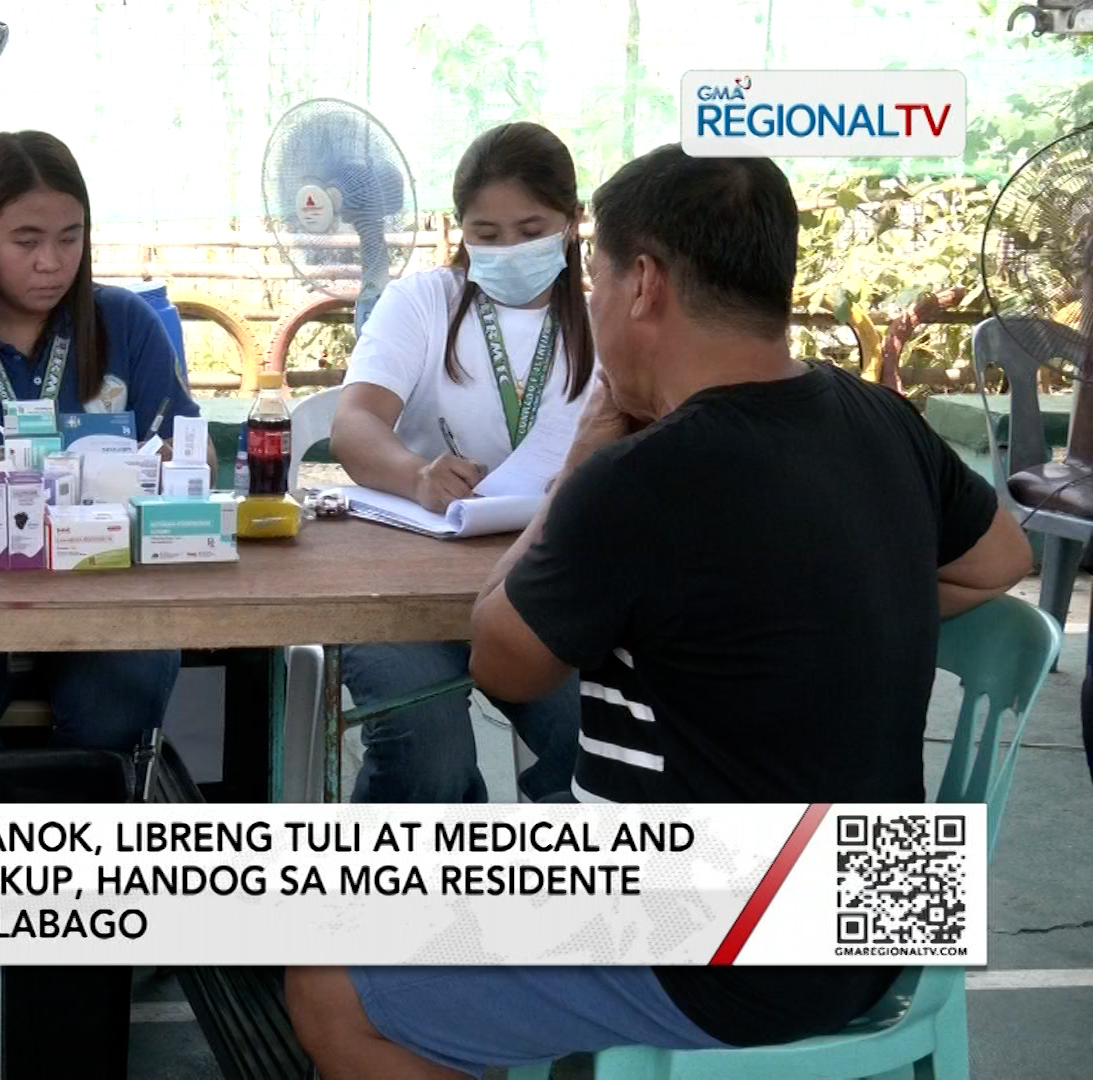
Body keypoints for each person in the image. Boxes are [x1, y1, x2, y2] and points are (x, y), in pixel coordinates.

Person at [286, 145, 1033, 1077]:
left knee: (325, 981)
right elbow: (1005, 556)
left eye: (593, 273)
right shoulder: (879, 419)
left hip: (724, 939)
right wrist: (809, 591)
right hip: (889, 907)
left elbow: (500, 661)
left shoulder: (642, 479)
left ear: (642, 285)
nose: (589, 300)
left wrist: (576, 471)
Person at [0, 130, 197, 754]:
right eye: (26, 241)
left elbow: (188, 450)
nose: (51, 262)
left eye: (70, 237)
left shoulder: (126, 325)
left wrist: (170, 465)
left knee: (116, 705)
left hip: (110, 586)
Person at [328, 122, 586, 803]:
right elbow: (354, 424)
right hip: (406, 580)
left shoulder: (606, 316)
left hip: (548, 577)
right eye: (487, 234)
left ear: (572, 222)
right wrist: (415, 473)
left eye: (531, 229)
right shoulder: (423, 302)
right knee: (426, 750)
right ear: (458, 228)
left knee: (585, 737)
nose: (508, 250)